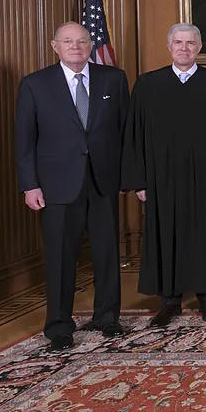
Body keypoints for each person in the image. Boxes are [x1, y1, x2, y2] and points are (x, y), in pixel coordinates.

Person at [14, 22, 129, 351]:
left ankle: (108, 317)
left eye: (81, 41)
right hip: (56, 185)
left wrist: (127, 177)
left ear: (91, 45)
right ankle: (60, 326)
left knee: (107, 253)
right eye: (68, 41)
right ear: (55, 46)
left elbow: (125, 133)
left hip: (103, 181)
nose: (75, 46)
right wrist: (29, 185)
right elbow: (24, 142)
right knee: (61, 257)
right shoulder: (35, 85)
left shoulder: (114, 79)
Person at [123, 23, 206, 327]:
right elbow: (133, 135)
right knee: (165, 232)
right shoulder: (148, 85)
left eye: (190, 43)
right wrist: (140, 180)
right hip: (162, 178)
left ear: (200, 47)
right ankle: (170, 300)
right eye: (178, 43)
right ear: (169, 46)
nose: (184, 48)